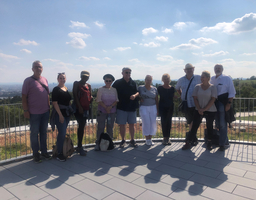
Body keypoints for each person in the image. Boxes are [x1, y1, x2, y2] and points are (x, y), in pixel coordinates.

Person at [22, 60, 51, 163]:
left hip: (45, 112)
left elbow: (47, 95)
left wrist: (48, 108)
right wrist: (26, 110)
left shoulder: (45, 80)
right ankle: (36, 154)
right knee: (34, 134)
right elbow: (24, 96)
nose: (39, 68)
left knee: (43, 133)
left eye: (40, 67)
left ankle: (44, 151)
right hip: (34, 113)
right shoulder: (28, 81)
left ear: (42, 69)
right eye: (36, 67)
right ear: (32, 69)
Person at [182, 71, 217, 150]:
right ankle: (189, 142)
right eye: (201, 77)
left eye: (203, 77)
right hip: (198, 109)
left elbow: (213, 99)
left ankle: (209, 142)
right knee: (194, 126)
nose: (201, 78)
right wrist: (199, 109)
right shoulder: (197, 87)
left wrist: (204, 109)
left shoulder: (213, 87)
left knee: (209, 126)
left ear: (208, 78)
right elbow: (195, 98)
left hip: (210, 110)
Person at [210, 64, 236, 151]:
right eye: (216, 68)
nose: (217, 69)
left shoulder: (227, 78)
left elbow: (232, 92)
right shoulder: (212, 79)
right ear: (214, 70)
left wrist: (228, 104)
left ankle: (222, 144)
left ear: (222, 69)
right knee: (218, 124)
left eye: (219, 68)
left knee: (222, 124)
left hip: (222, 103)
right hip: (213, 103)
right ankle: (225, 142)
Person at [112, 67, 139, 148]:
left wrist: (135, 95)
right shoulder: (117, 82)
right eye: (126, 72)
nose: (128, 74)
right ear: (122, 73)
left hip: (132, 106)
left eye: (129, 72)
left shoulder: (133, 82)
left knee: (132, 124)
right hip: (121, 107)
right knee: (122, 125)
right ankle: (123, 140)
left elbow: (137, 92)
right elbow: (112, 91)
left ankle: (132, 140)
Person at [176, 63, 201, 145]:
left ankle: (191, 138)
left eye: (191, 69)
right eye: (188, 69)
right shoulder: (181, 80)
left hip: (197, 103)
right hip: (187, 103)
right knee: (190, 121)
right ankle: (193, 137)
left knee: (195, 121)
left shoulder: (199, 78)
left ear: (193, 69)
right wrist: (182, 95)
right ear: (185, 70)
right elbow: (177, 88)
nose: (189, 70)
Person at [95, 74, 119, 151]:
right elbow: (98, 100)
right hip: (102, 111)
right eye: (106, 81)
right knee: (100, 127)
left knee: (110, 128)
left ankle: (109, 143)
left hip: (111, 111)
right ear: (104, 81)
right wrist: (106, 108)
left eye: (110, 81)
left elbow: (116, 100)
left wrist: (110, 107)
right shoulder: (100, 89)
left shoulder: (114, 90)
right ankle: (98, 143)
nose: (108, 82)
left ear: (112, 81)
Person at [51, 73, 72, 161]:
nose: (62, 79)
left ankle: (58, 150)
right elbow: (55, 103)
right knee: (62, 133)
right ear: (57, 79)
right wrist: (60, 115)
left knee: (62, 133)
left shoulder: (65, 89)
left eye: (63, 78)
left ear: (65, 79)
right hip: (60, 114)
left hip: (66, 114)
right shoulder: (56, 89)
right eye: (60, 78)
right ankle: (59, 153)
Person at [72, 70, 93, 155]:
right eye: (84, 76)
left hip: (86, 108)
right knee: (81, 126)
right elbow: (75, 95)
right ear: (81, 76)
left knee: (82, 126)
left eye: (87, 76)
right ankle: (79, 147)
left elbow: (90, 95)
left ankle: (79, 146)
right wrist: (79, 107)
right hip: (78, 109)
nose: (85, 78)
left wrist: (90, 99)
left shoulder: (89, 85)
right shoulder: (77, 84)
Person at [138, 75, 158, 146]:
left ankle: (150, 138)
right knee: (146, 122)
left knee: (153, 123)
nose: (148, 81)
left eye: (150, 80)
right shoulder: (140, 87)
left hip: (153, 106)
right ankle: (147, 139)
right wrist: (140, 98)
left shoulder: (155, 89)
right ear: (145, 80)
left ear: (151, 81)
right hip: (144, 107)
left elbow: (156, 99)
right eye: (147, 80)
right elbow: (137, 95)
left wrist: (157, 109)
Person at [157, 74, 175, 145]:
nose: (166, 80)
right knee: (164, 122)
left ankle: (168, 138)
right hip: (162, 107)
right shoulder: (159, 88)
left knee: (169, 122)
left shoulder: (172, 88)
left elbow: (173, 96)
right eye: (164, 79)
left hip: (170, 107)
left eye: (167, 78)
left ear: (169, 79)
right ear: (162, 80)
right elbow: (156, 97)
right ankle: (164, 138)